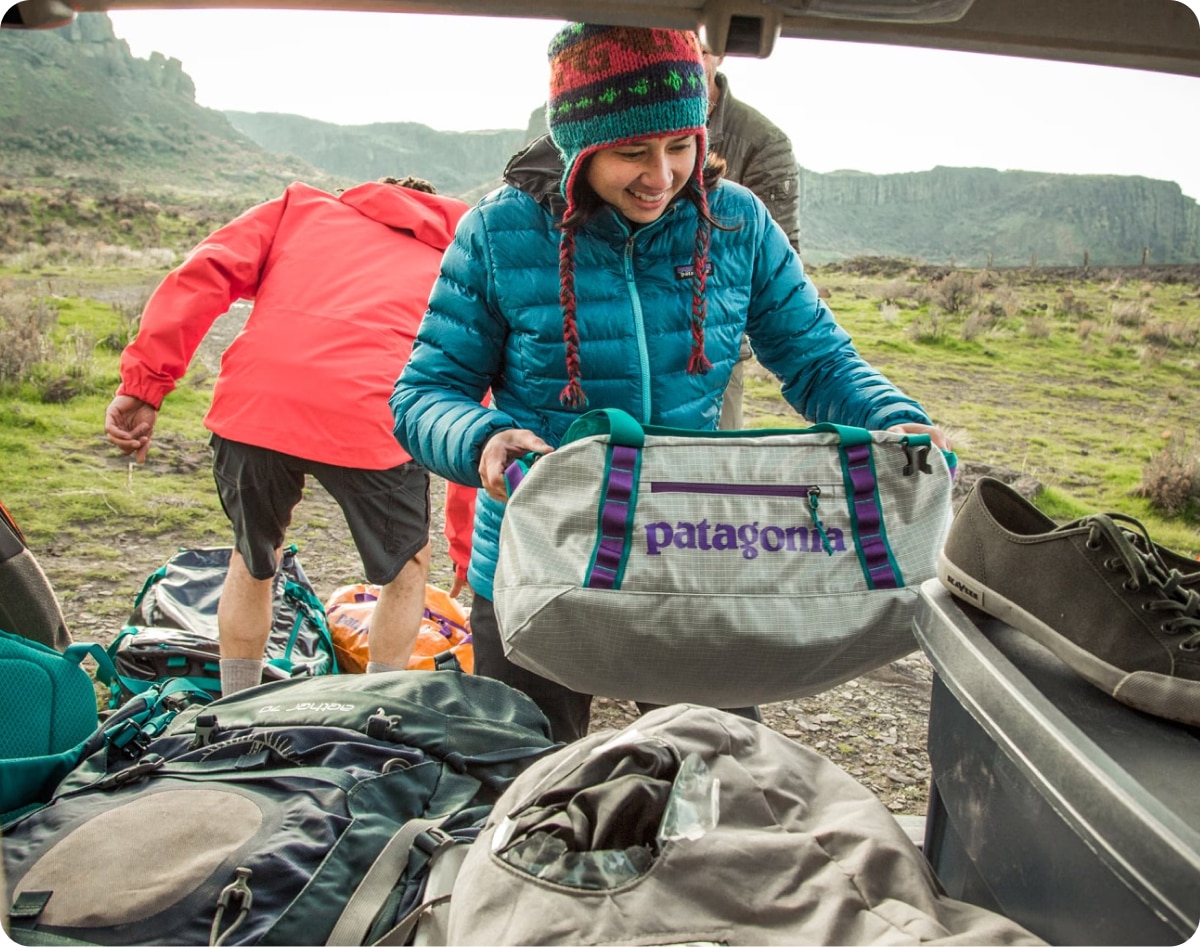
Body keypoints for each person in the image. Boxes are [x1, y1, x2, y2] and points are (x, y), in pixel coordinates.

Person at [390, 23, 949, 743]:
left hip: (692, 555)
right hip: (539, 564)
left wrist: (894, 418)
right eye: (632, 152)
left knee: (717, 772)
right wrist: (486, 439)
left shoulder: (737, 223)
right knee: (526, 784)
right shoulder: (499, 233)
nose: (661, 176)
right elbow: (423, 394)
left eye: (681, 145)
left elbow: (818, 360)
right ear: (580, 146)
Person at [105, 175, 472, 696]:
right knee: (407, 567)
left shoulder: (299, 211)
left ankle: (236, 701)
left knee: (253, 559)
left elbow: (203, 273)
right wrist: (465, 544)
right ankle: (376, 708)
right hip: (374, 418)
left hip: (258, 406)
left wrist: (146, 384)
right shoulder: (461, 252)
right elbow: (466, 391)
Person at [701, 43, 803, 430]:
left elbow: (780, 269)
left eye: (703, 50)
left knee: (708, 477)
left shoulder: (763, 142)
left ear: (721, 54)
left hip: (715, 356)